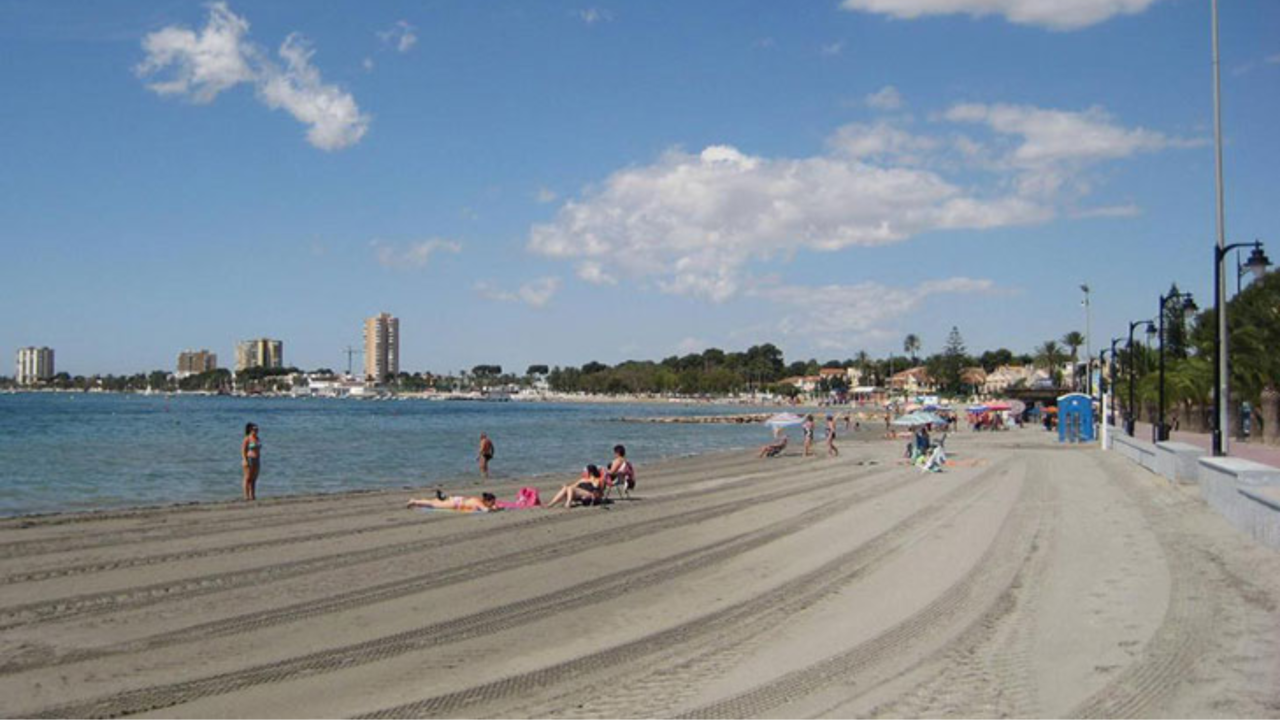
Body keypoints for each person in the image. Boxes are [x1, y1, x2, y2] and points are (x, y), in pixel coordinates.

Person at [408, 490, 498, 512]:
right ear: (487, 501)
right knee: (433, 504)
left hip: (457, 500)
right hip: (455, 503)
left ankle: (417, 502)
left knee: (434, 502)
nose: (493, 504)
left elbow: (485, 507)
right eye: (492, 502)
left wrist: (492, 506)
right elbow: (486, 510)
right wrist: (496, 508)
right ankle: (414, 501)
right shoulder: (478, 502)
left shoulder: (478, 500)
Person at [241, 423, 261, 501]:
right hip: (249, 459)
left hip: (257, 460)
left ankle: (252, 495)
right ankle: (246, 496)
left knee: (254, 479)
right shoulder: (247, 438)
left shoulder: (257, 438)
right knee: (247, 478)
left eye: (257, 429)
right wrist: (245, 460)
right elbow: (243, 450)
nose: (256, 430)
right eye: (254, 429)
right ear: (250, 430)